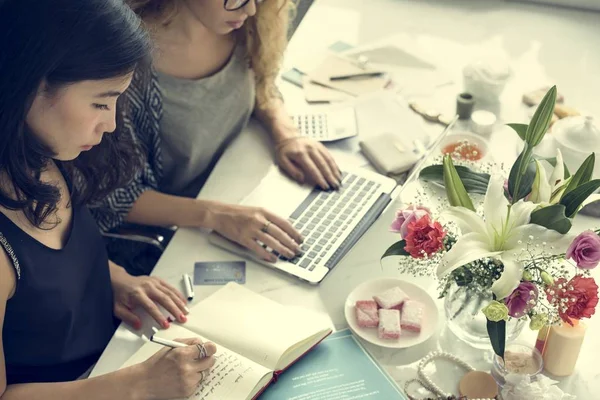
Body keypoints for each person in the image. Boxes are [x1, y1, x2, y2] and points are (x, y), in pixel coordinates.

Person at [0, 0, 216, 398]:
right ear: (27, 84)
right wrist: (140, 384)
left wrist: (112, 278)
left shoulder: (46, 153)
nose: (112, 122)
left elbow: (49, 271)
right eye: (100, 102)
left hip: (113, 354)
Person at [91, 0, 343, 275]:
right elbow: (112, 195)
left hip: (239, 189)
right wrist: (216, 215)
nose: (251, 11)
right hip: (179, 233)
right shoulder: (124, 59)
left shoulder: (247, 24)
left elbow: (261, 82)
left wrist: (286, 135)